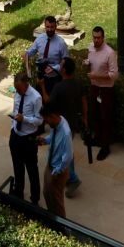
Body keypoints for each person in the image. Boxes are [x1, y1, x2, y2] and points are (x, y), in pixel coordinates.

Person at [7, 72, 44, 204]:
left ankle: (35, 199)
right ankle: (19, 193)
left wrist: (25, 119)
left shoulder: (36, 98)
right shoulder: (17, 93)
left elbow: (39, 120)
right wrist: (14, 125)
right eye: (16, 89)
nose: (17, 91)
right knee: (17, 167)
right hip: (16, 136)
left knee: (32, 170)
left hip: (29, 139)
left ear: (26, 84)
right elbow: (16, 109)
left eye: (19, 89)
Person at [50, 57, 86, 190]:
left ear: (64, 70)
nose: (59, 65)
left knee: (64, 152)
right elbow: (83, 102)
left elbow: (49, 103)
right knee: (66, 149)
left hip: (62, 126)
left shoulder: (58, 87)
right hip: (73, 124)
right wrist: (85, 118)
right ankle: (67, 175)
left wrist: (42, 87)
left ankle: (72, 178)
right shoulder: (78, 84)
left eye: (61, 64)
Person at [84, 25, 118, 160]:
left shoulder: (110, 53)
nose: (96, 40)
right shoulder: (91, 47)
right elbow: (92, 61)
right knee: (94, 114)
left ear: (103, 38)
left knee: (105, 118)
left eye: (98, 38)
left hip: (106, 89)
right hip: (94, 88)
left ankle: (105, 147)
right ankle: (97, 138)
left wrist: (97, 76)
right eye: (94, 37)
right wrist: (86, 62)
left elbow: (114, 75)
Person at [42, 103, 75, 218]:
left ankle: (61, 228)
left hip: (58, 171)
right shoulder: (56, 124)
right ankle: (52, 218)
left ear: (53, 116)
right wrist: (45, 140)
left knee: (57, 202)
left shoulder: (66, 133)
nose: (46, 123)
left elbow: (68, 157)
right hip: (50, 165)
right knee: (46, 193)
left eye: (47, 120)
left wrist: (57, 171)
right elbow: (52, 137)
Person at [24, 15, 69, 94]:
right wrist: (27, 55)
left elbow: (66, 61)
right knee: (39, 100)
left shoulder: (61, 43)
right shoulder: (39, 39)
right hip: (40, 77)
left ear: (56, 27)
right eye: (47, 27)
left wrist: (55, 68)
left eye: (52, 27)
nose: (50, 29)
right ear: (45, 26)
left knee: (51, 103)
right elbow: (29, 52)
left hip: (54, 79)